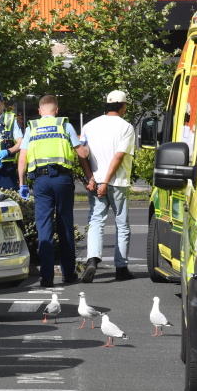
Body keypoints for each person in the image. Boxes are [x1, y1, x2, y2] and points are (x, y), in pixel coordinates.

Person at [18, 95, 93, 288]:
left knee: (44, 229)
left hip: (41, 182)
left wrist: (22, 184)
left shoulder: (31, 128)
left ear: (40, 111)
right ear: (56, 110)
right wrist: (89, 175)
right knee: (65, 225)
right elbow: (82, 154)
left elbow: (22, 158)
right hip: (62, 180)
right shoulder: (64, 126)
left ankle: (47, 277)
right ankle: (68, 274)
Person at [79, 90, 136, 282]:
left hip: (95, 182)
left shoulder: (89, 125)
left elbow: (82, 154)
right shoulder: (126, 127)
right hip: (118, 182)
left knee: (96, 222)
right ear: (122, 106)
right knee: (122, 225)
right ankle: (121, 268)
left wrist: (92, 179)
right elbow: (119, 156)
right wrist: (107, 181)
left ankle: (92, 260)